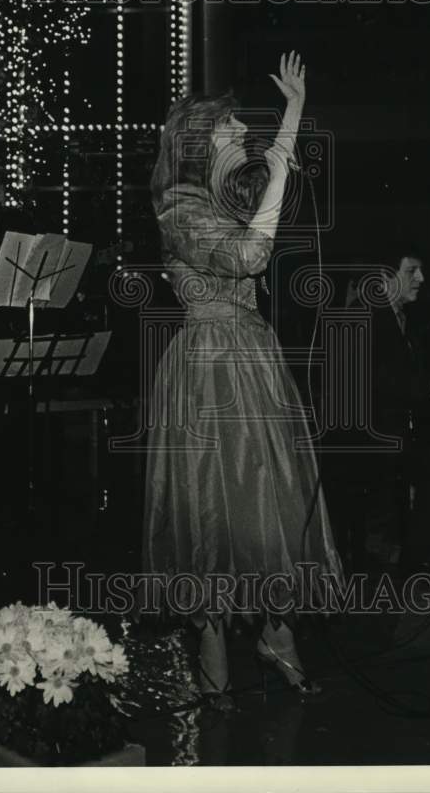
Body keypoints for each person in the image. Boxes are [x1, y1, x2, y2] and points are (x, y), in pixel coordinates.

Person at [143, 53, 343, 709]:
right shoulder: (179, 205)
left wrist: (293, 110)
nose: (241, 133)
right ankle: (212, 648)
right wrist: (279, 172)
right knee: (209, 511)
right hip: (207, 365)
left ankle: (277, 635)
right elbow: (253, 254)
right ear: (203, 139)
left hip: (252, 355)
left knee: (274, 503)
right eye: (231, 125)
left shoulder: (223, 197)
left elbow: (267, 201)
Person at [340, 243, 430, 574]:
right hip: (367, 443)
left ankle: (414, 558)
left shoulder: (401, 317)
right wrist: (426, 388)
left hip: (393, 434)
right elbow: (366, 377)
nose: (421, 278)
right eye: (411, 271)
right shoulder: (361, 316)